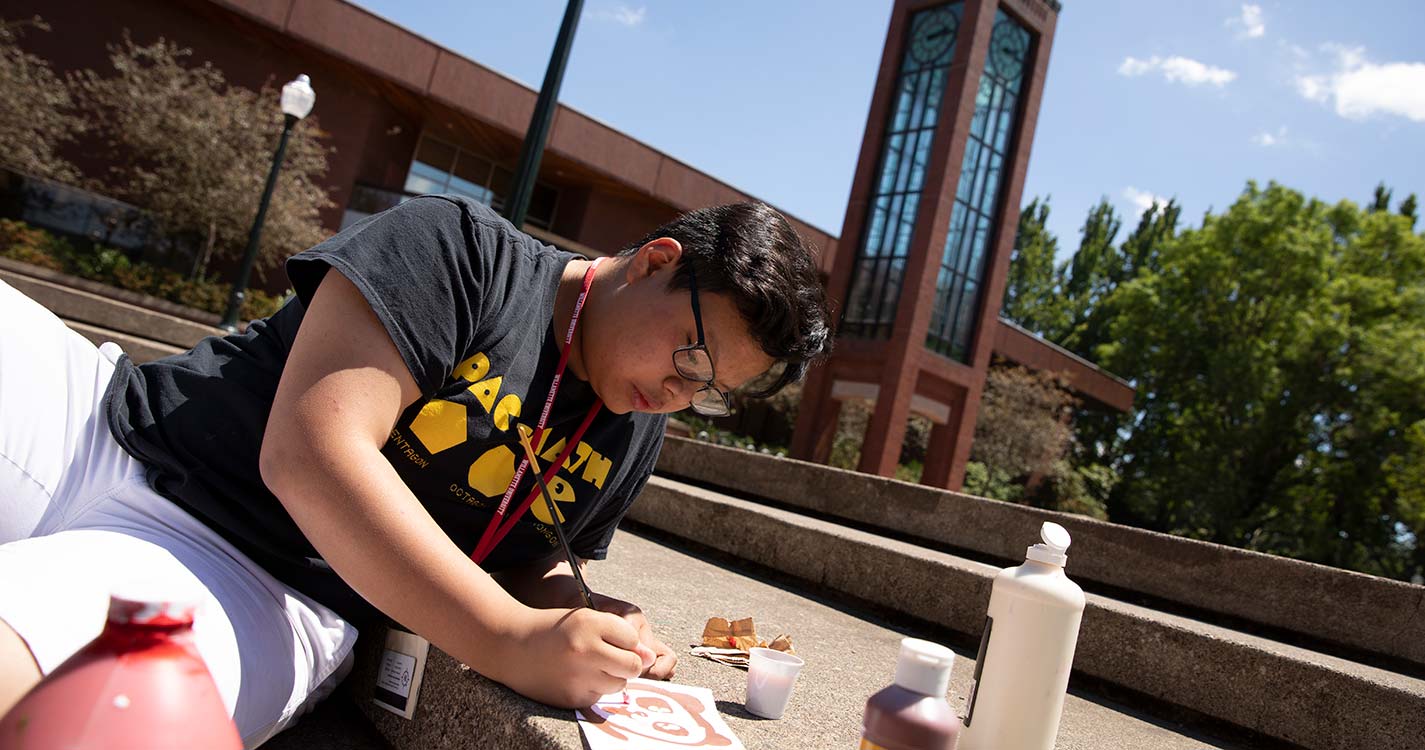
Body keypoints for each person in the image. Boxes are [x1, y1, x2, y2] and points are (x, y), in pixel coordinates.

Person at [0, 195, 832, 747]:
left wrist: (572, 611)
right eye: (691, 358)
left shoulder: (632, 427)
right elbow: (313, 450)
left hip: (255, 574)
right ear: (653, 261)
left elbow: (520, 556)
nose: (679, 397)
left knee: (50, 665)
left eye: (712, 394)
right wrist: (508, 641)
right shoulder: (462, 250)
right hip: (106, 421)